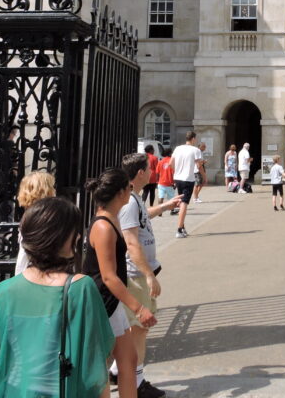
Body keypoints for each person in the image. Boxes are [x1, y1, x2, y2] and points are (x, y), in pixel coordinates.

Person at [0, 196, 113, 398]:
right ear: (62, 238)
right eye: (73, 231)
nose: (77, 237)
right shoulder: (80, 289)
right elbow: (95, 367)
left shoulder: (0, 294)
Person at [83, 168, 158, 398]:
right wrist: (138, 308)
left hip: (111, 300)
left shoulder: (112, 219)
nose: (131, 191)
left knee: (128, 359)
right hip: (102, 300)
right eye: (129, 187)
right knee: (102, 364)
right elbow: (108, 276)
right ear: (121, 192)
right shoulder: (104, 226)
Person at [115, 153, 181, 397]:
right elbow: (131, 242)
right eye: (149, 169)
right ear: (141, 173)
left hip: (138, 273)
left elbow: (142, 219)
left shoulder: (134, 198)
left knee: (136, 326)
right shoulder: (129, 202)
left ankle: (116, 370)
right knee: (140, 327)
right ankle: (137, 381)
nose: (153, 172)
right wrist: (149, 274)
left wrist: (164, 206)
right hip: (135, 274)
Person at [14, 170, 56, 274]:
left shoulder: (29, 214)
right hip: (41, 271)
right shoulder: (44, 215)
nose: (54, 190)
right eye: (52, 187)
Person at [171, 132, 202, 237]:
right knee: (184, 203)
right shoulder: (195, 150)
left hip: (178, 178)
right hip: (188, 179)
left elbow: (171, 163)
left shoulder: (178, 148)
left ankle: (182, 227)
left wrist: (177, 171)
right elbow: (198, 165)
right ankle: (179, 229)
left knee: (181, 201)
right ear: (193, 139)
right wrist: (201, 167)